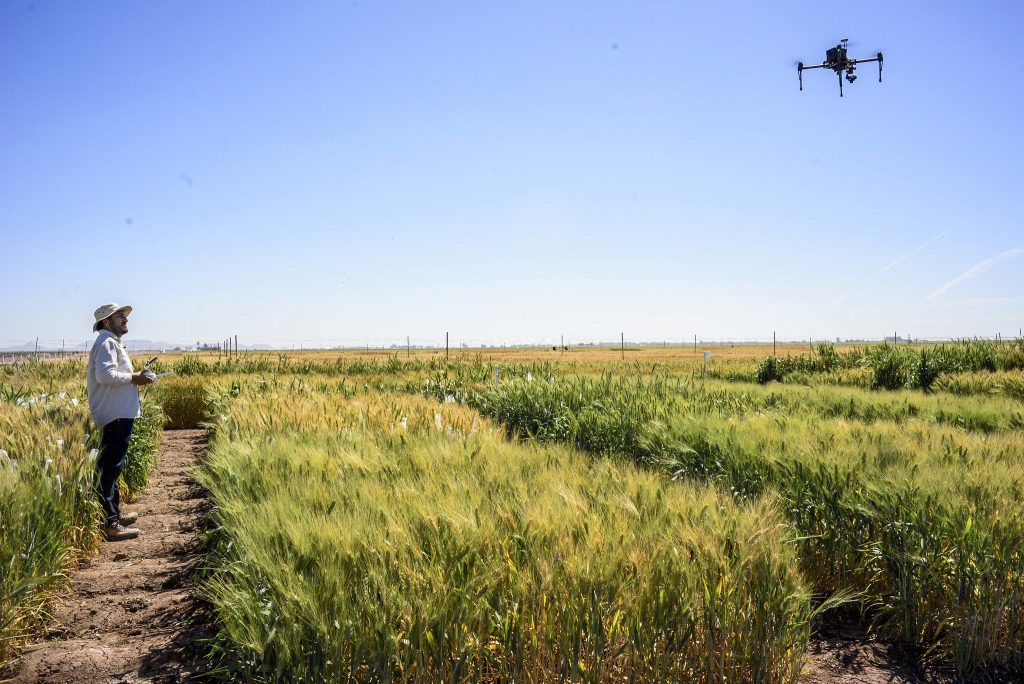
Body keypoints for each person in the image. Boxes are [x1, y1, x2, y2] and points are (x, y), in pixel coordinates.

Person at [86, 303, 154, 541]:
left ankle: (114, 515)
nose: (125, 319)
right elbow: (105, 375)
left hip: (119, 413)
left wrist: (137, 377)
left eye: (125, 315)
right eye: (119, 316)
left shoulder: (111, 342)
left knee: (114, 467)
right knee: (110, 467)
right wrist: (135, 378)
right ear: (106, 322)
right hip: (114, 414)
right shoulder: (105, 343)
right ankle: (110, 523)